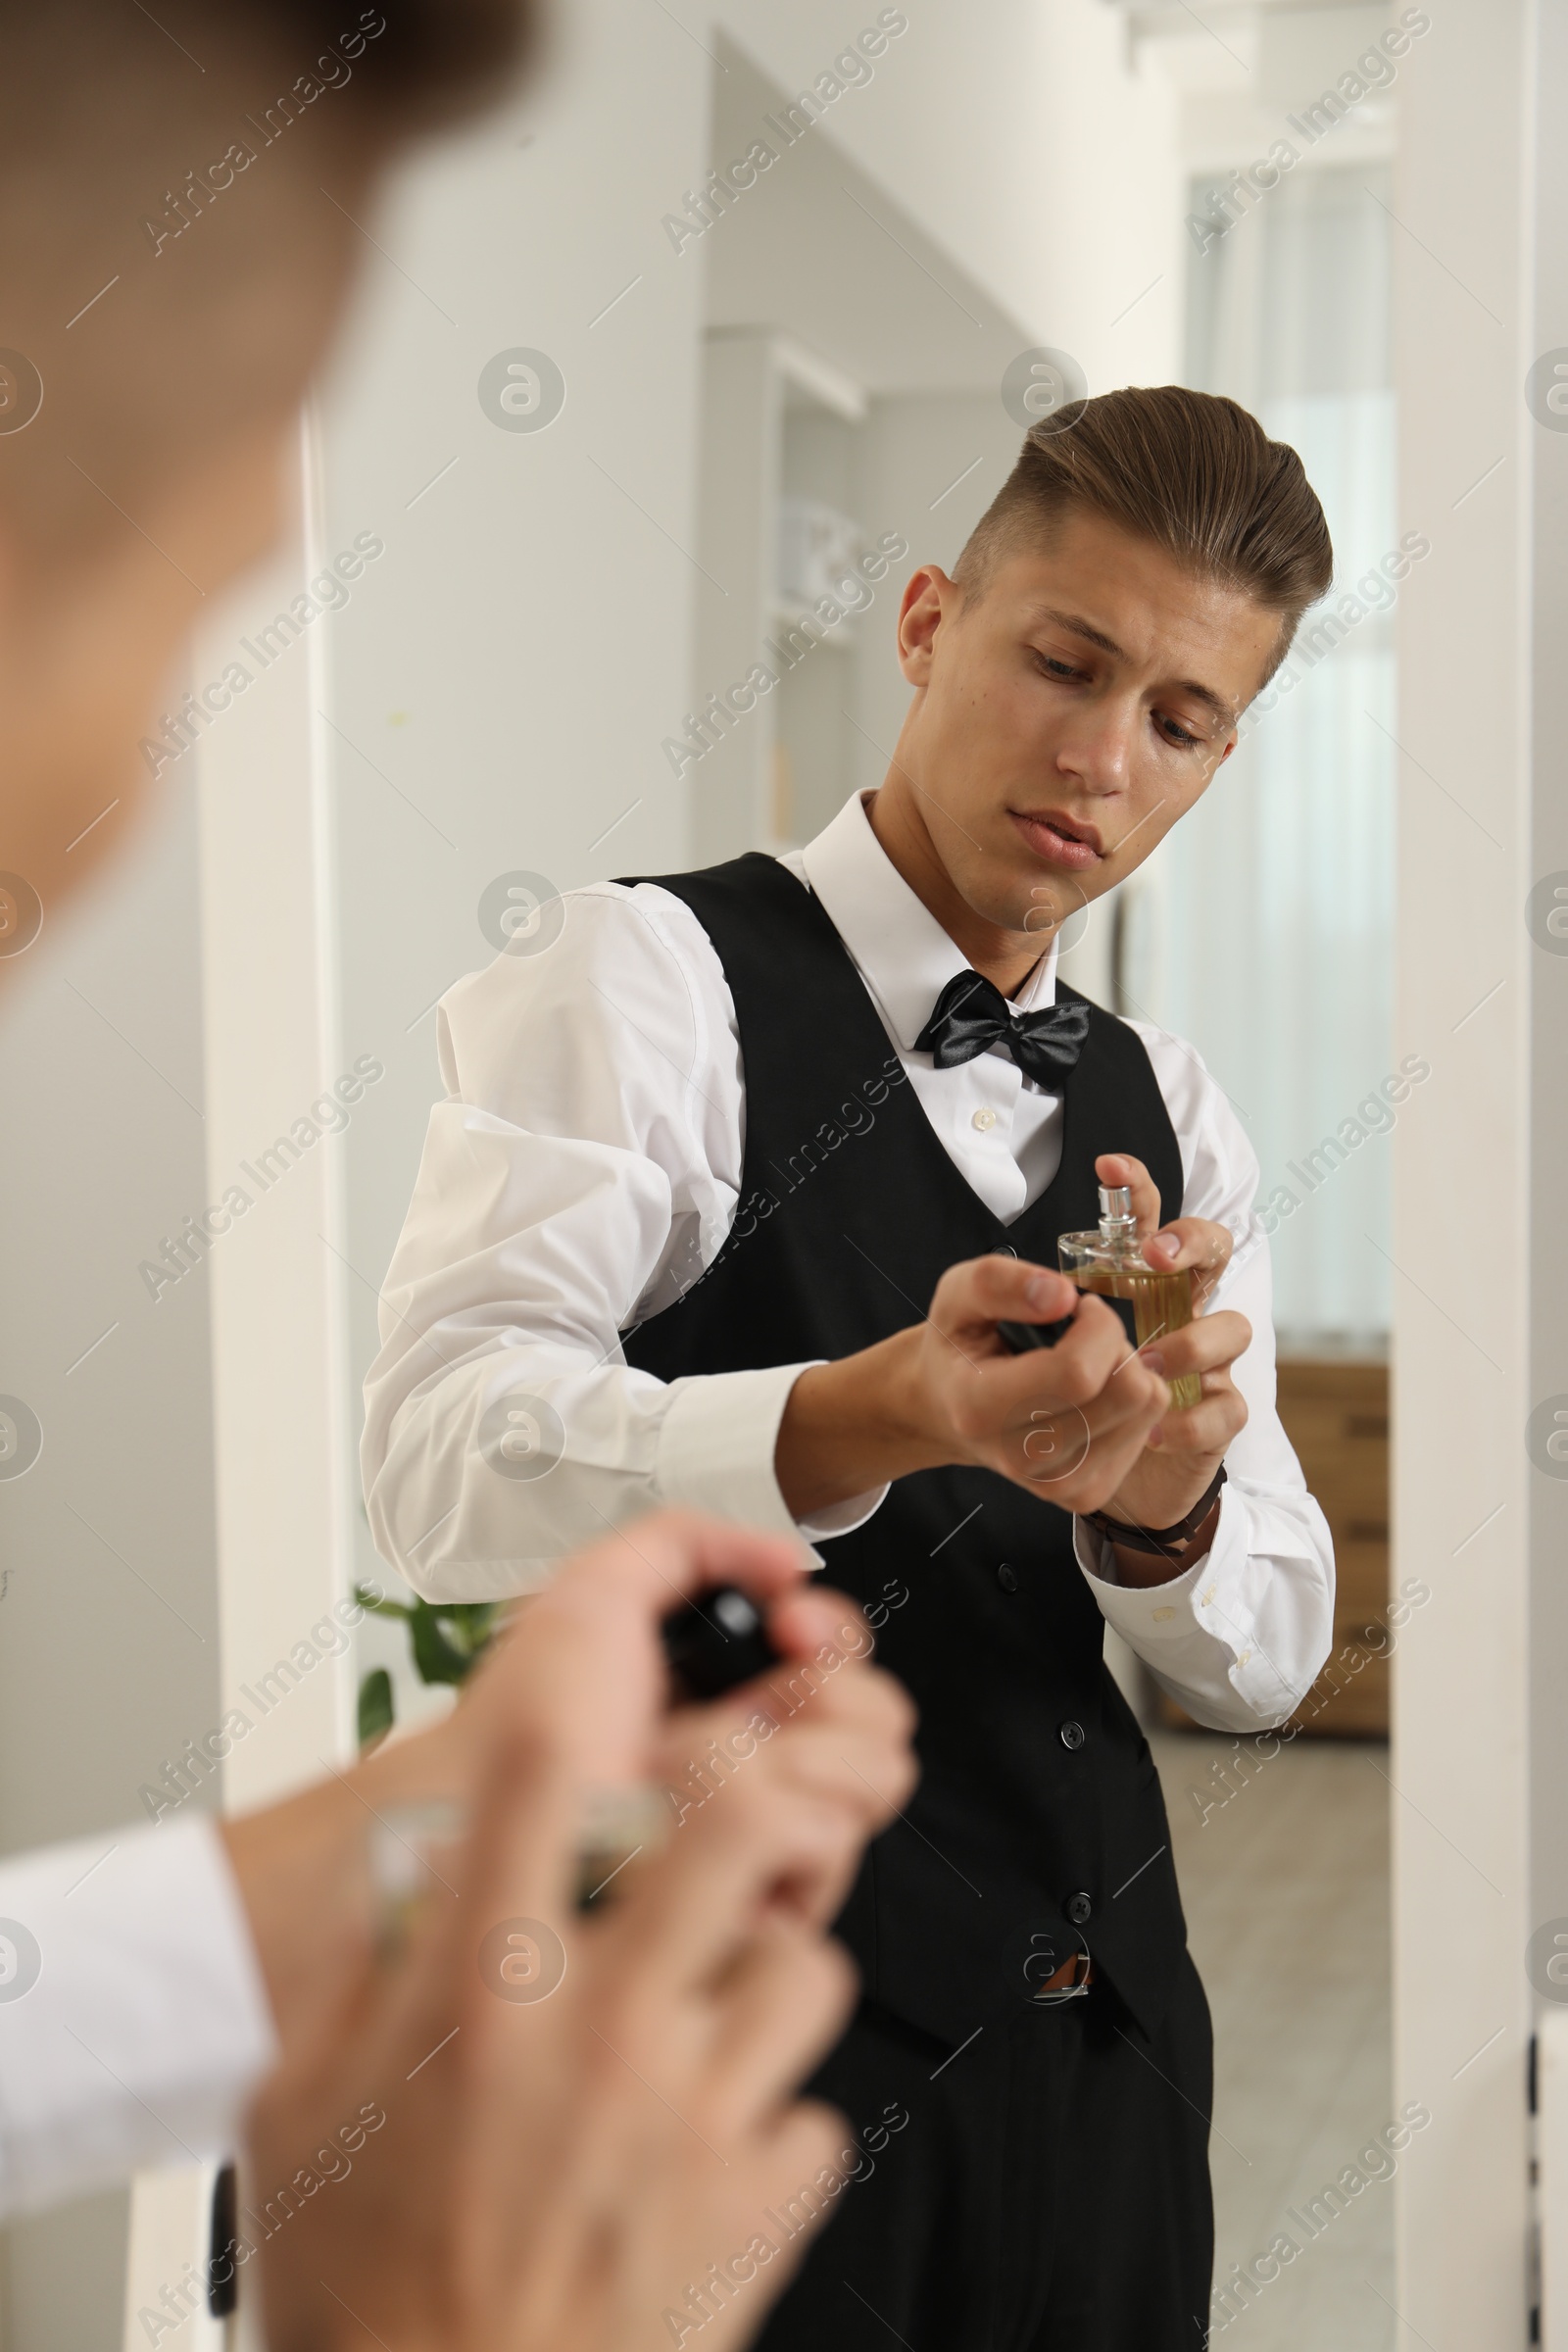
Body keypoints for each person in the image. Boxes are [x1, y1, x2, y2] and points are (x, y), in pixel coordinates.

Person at [0, 4, 919, 2346]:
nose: (116, 822)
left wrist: (358, 1863)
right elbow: (444, 1448)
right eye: (172, 618)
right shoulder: (638, 969)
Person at [364, 386, 1339, 2349]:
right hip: (734, 2050)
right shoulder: (641, 983)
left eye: (1178, 719)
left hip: (1098, 2064)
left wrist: (1164, 1521)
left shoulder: (1180, 1114)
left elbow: (1274, 1653)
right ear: (923, 625)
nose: (1095, 756)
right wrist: (866, 1413)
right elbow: (432, 1467)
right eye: (1061, 661)